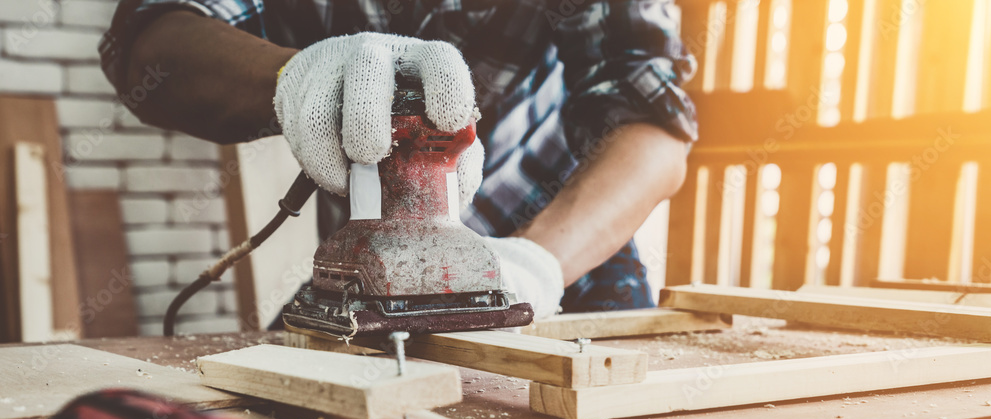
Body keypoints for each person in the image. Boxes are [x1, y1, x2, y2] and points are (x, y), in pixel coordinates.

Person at [100, 0, 698, 319]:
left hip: (567, 256)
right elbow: (149, 40)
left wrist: (532, 267)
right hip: (377, 281)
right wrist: (293, 78)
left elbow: (654, 126)